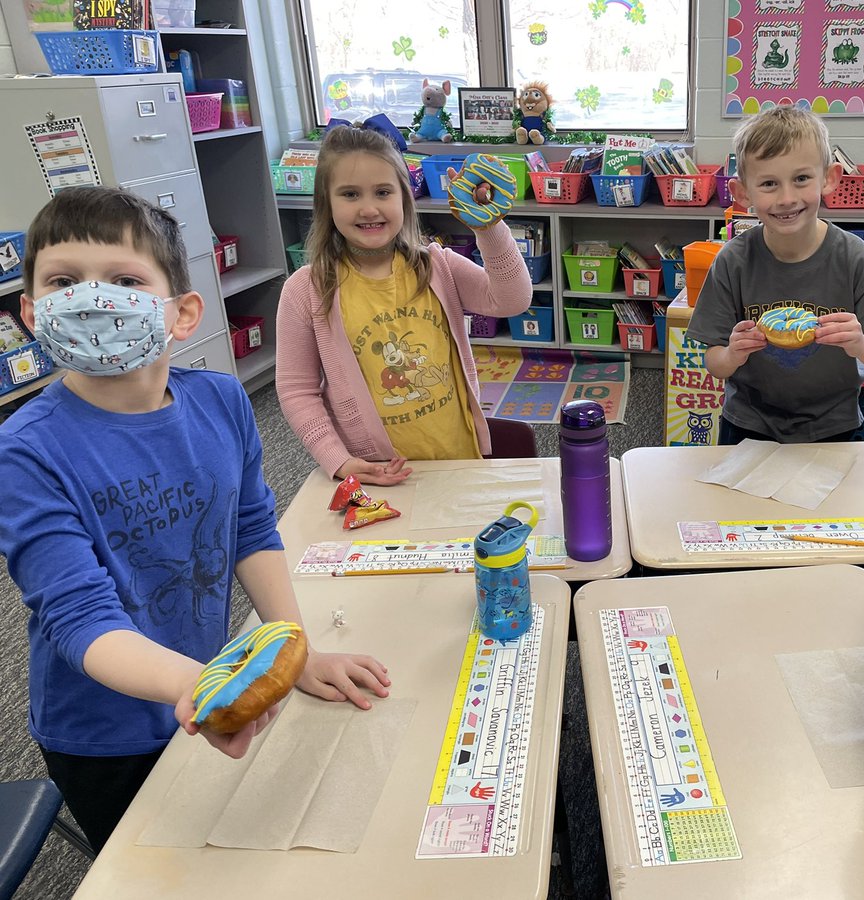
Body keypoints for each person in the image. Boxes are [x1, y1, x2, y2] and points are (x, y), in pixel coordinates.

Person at [0, 186, 391, 852]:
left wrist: (291, 652)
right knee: (153, 870)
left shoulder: (219, 399)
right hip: (105, 731)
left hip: (207, 687)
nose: (92, 300)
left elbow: (250, 530)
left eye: (123, 280)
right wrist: (202, 685)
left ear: (182, 314)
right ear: (34, 314)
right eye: (65, 282)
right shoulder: (25, 452)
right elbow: (79, 618)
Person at [276, 125, 533, 485]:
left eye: (383, 192)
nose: (368, 208)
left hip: (456, 457)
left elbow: (512, 299)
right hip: (376, 472)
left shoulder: (437, 265)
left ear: (403, 198)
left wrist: (488, 228)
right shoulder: (306, 289)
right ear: (326, 204)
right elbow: (296, 389)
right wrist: (338, 460)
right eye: (350, 194)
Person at [686, 106, 864, 444]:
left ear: (829, 178)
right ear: (742, 193)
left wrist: (860, 344)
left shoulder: (856, 260)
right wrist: (732, 354)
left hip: (832, 425)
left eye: (801, 179)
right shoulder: (733, 261)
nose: (786, 198)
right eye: (768, 183)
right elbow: (715, 362)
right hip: (748, 422)